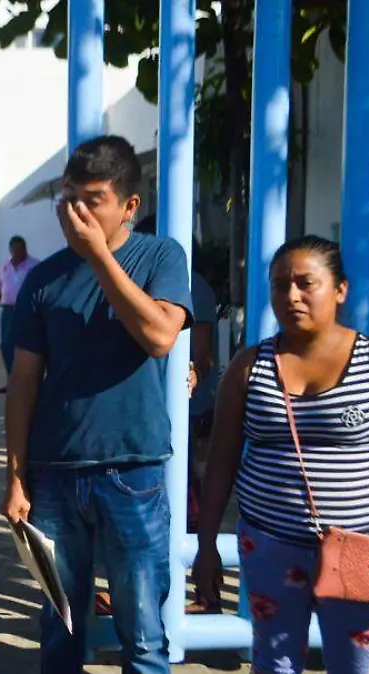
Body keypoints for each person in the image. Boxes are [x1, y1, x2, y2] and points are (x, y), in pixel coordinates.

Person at [192, 236, 369, 674]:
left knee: (356, 663)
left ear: (340, 290)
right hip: (269, 544)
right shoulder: (249, 367)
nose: (291, 295)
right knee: (274, 662)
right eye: (279, 285)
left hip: (362, 545)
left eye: (305, 283)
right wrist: (206, 546)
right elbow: (221, 460)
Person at [2, 135, 192, 674]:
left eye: (91, 199)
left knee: (143, 633)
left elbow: (159, 336)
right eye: (67, 197)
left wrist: (100, 256)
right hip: (56, 477)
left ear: (129, 205)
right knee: (60, 627)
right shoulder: (43, 279)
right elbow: (23, 383)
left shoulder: (159, 256)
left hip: (133, 472)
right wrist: (15, 476)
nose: (75, 211)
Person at [132, 214, 218, 531]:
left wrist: (193, 374)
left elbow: (204, 356)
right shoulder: (132, 284)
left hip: (182, 402)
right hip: (145, 398)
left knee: (178, 473)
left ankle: (181, 527)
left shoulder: (197, 287)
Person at [0, 235, 40, 393]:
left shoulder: (34, 266)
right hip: (8, 310)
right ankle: (12, 381)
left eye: (19, 249)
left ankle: (30, 383)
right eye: (13, 250)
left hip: (27, 311)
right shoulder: (5, 265)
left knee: (26, 346)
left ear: (25, 249)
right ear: (10, 250)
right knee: (7, 346)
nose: (16, 253)